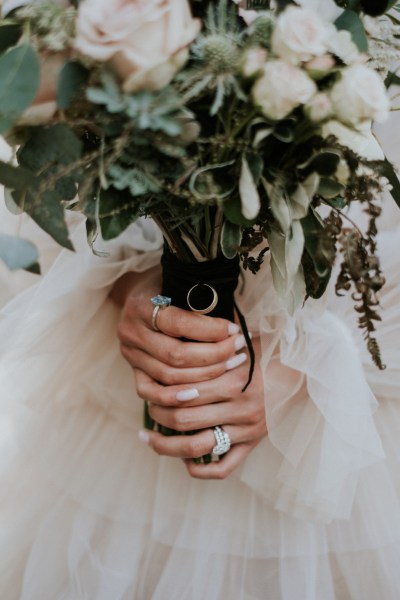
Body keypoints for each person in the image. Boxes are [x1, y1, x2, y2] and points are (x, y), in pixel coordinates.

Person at [1, 105, 400, 600]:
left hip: (355, 433)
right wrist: (130, 284)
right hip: (127, 415)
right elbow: (62, 155)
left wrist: (300, 371)